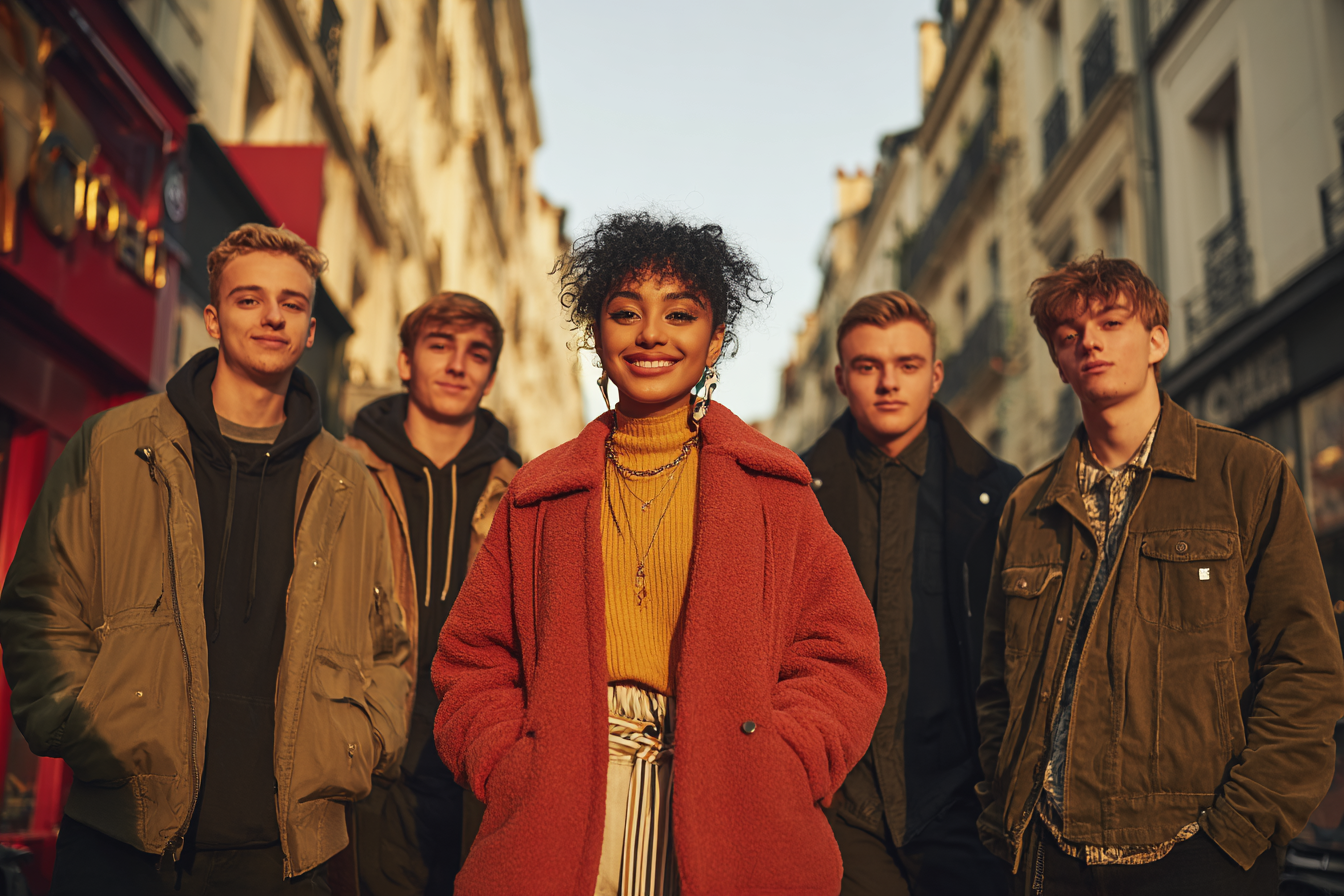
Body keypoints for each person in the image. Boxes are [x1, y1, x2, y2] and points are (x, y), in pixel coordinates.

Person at [431, 210, 886, 895]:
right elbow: (471, 662)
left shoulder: (775, 490)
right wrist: (511, 763)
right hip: (562, 813)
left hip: (734, 809)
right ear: (597, 333)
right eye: (625, 312)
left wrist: (782, 764)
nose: (650, 334)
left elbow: (841, 659)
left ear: (715, 341)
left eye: (680, 314)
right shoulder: (539, 494)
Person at [0, 224, 411, 895]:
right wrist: (83, 723)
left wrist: (357, 745)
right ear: (213, 319)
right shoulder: (114, 446)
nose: (273, 316)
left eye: (293, 304)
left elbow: (391, 648)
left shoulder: (351, 484)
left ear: (311, 331)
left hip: (287, 856)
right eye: (249, 300)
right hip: (123, 834)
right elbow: (38, 606)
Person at [976, 253, 1344, 895]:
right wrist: (1005, 812)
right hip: (1046, 856)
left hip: (1196, 853)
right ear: (1060, 363)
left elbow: (1305, 669)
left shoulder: (1245, 476)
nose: (1089, 341)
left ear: (1157, 340)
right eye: (1069, 336)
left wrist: (1239, 835)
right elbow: (995, 692)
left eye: (1111, 322)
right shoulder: (1027, 509)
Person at [803, 292, 1019, 895]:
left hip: (966, 805)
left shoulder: (1002, 495)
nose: (889, 384)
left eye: (908, 365)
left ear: (936, 375)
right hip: (839, 807)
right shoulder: (794, 497)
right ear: (841, 379)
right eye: (869, 367)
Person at [345, 293, 521, 894]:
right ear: (403, 361)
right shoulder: (343, 472)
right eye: (439, 346)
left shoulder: (520, 492)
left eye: (476, 354)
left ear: (491, 377)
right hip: (363, 758)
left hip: (471, 767)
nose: (456, 366)